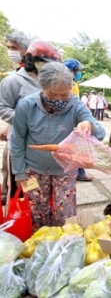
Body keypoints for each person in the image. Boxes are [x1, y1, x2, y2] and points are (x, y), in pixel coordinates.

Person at [10, 63, 105, 230]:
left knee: (65, 216)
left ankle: (63, 248)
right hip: (33, 170)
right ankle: (39, 247)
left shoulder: (76, 105)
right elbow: (17, 140)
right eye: (53, 95)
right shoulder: (26, 105)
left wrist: (88, 124)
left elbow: (101, 133)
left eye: (65, 95)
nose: (59, 100)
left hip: (65, 170)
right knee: (36, 214)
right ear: (42, 87)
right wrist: (19, 172)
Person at [0, 40, 60, 202]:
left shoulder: (50, 83)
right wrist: (28, 121)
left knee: (35, 193)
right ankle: (13, 223)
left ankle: (34, 222)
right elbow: (3, 108)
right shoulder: (13, 81)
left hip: (41, 152)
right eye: (44, 63)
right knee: (16, 191)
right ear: (31, 60)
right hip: (20, 149)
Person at [62, 58, 94, 182]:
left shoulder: (73, 84)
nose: (79, 73)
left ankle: (78, 171)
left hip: (76, 119)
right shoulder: (71, 84)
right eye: (77, 71)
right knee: (75, 149)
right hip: (71, 121)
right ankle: (78, 172)